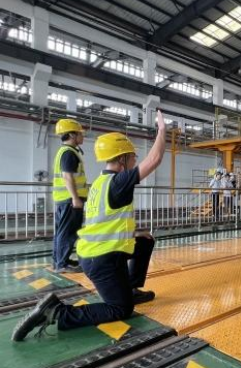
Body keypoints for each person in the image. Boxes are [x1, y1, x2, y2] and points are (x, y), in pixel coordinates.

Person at [12, 110, 167, 342]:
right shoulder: (118, 182)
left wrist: (135, 232)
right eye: (133, 156)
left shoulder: (101, 182)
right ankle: (57, 312)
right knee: (120, 309)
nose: (135, 160)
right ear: (122, 159)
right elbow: (154, 160)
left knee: (145, 241)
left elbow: (105, 220)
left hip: (100, 252)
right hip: (102, 259)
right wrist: (162, 130)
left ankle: (130, 289)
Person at [52, 119, 88, 274]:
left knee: (62, 232)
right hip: (70, 200)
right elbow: (68, 177)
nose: (82, 136)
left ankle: (59, 261)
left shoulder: (64, 151)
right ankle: (62, 264)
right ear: (72, 135)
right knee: (68, 232)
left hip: (64, 199)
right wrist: (75, 198)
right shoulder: (69, 153)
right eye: (80, 133)